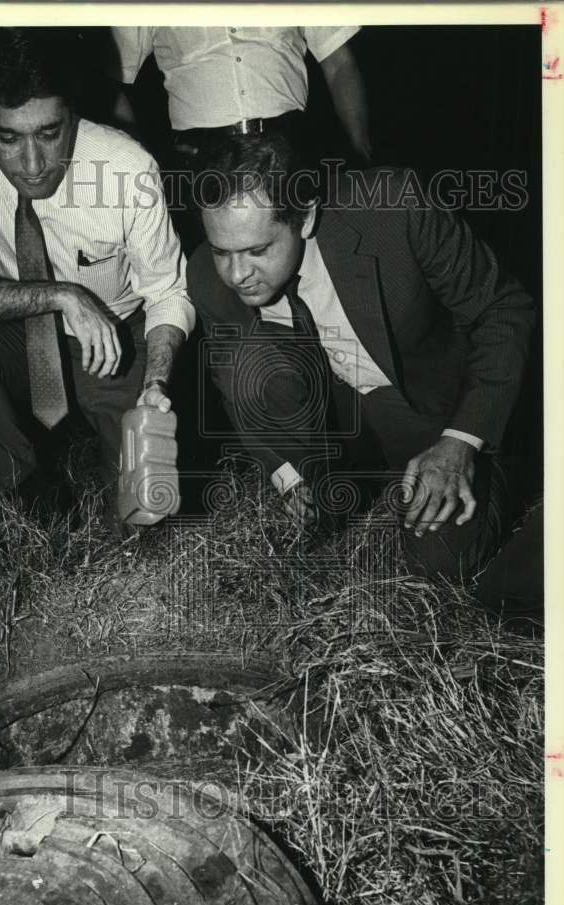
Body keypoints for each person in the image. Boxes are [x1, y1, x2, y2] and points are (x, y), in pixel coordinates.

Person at [186, 134, 535, 579]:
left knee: (440, 564)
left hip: (433, 412)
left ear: (306, 216)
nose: (238, 274)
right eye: (222, 251)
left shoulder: (394, 208)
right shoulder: (204, 274)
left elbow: (502, 310)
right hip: (337, 418)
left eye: (258, 250)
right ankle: (326, 496)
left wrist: (459, 443)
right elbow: (233, 383)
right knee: (244, 363)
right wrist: (289, 477)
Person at [0, 28, 193, 523]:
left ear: (74, 113)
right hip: (24, 335)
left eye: (49, 132)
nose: (34, 163)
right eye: (8, 138)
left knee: (143, 519)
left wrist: (156, 384)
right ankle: (25, 498)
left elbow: (169, 291)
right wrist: (62, 295)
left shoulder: (127, 167)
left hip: (118, 338)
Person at [108, 26, 372, 166]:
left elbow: (339, 63)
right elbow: (110, 81)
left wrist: (360, 152)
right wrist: (141, 164)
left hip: (291, 146)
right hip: (199, 155)